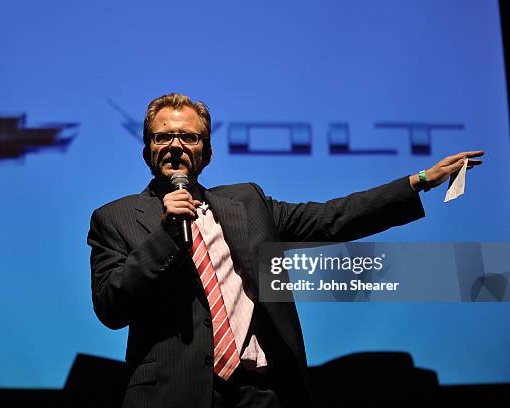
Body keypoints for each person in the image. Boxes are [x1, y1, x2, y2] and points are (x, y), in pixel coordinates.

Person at [87, 93, 483, 408]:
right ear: (147, 150)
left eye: (188, 137)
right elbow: (111, 306)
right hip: (171, 395)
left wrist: (420, 180)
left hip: (261, 391)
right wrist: (165, 234)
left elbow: (332, 218)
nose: (176, 145)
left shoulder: (247, 203)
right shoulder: (115, 218)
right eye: (163, 137)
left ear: (205, 152)